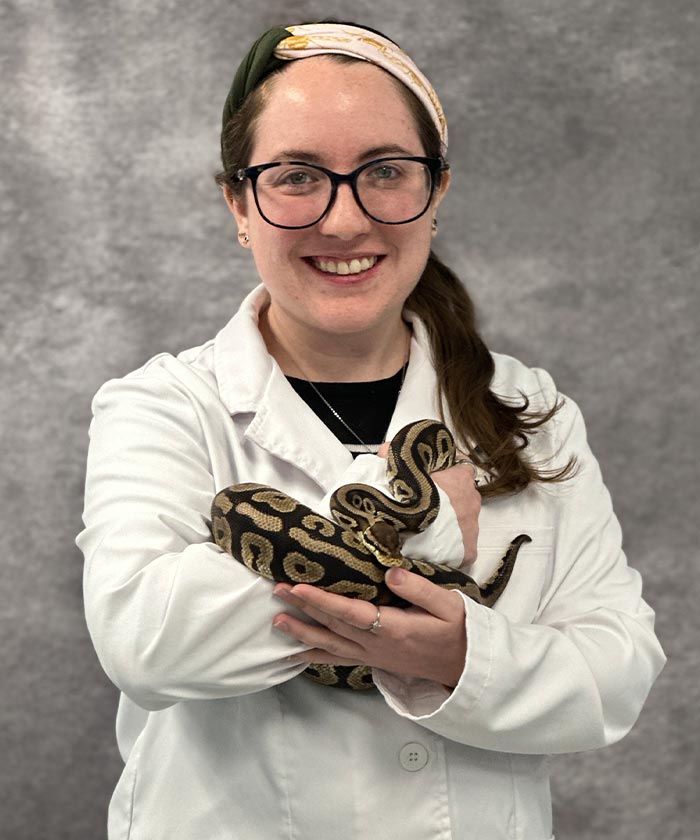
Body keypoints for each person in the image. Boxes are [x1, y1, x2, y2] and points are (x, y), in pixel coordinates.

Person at [77, 20, 666, 840]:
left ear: (438, 191)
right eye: (297, 176)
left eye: (385, 171)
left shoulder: (531, 410)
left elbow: (616, 675)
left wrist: (457, 656)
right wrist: (412, 526)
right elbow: (145, 644)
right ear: (238, 204)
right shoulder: (162, 406)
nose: (345, 221)